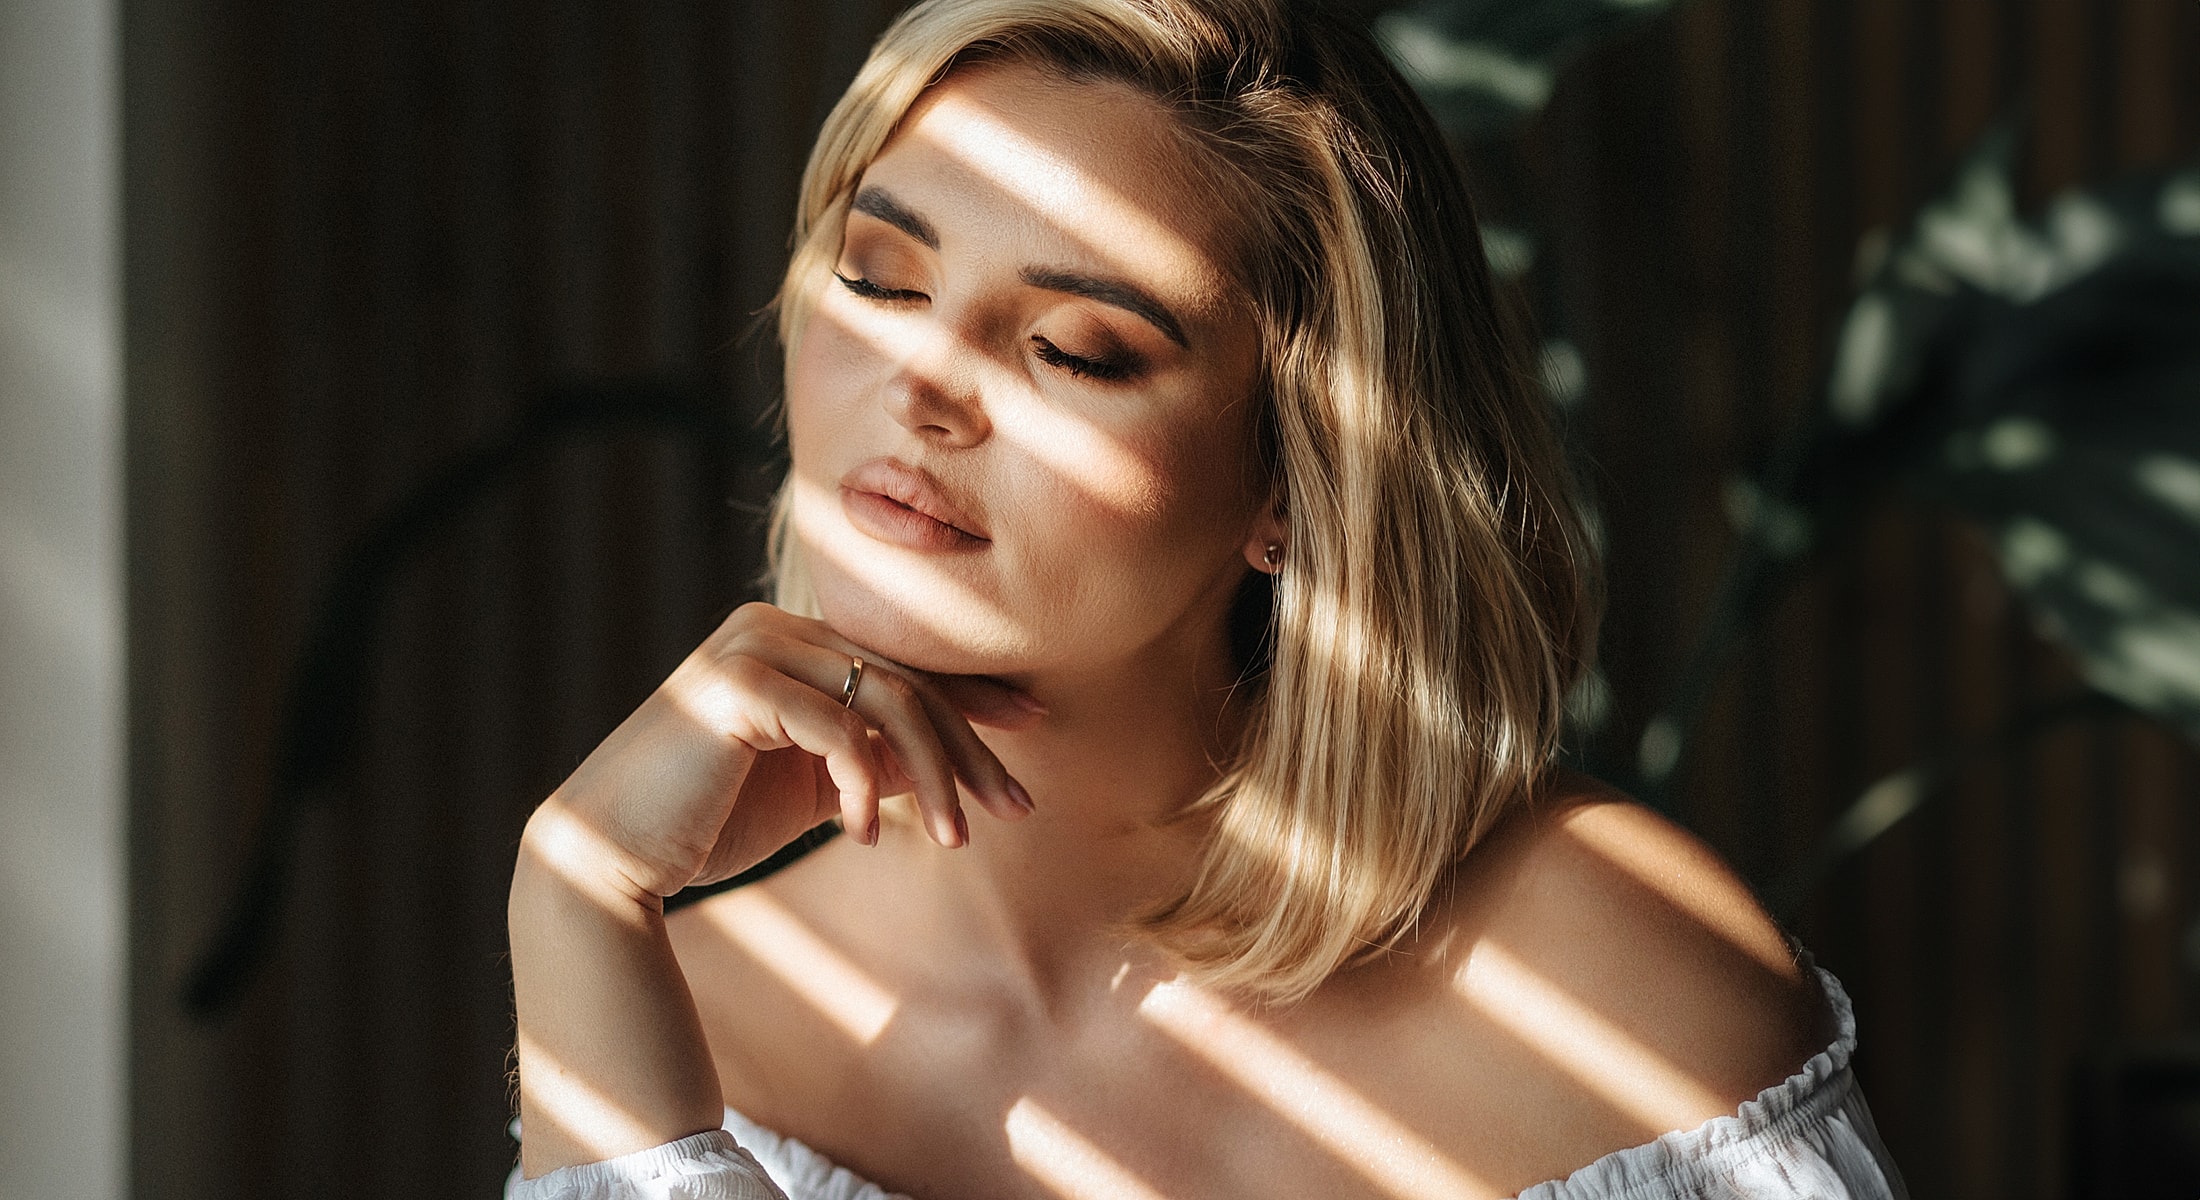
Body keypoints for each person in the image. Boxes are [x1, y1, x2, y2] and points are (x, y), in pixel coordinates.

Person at [505, 0, 1908, 1196]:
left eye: (1077, 349)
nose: (920, 387)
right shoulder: (683, 1018)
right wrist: (576, 895)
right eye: (881, 280)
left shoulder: (1605, 986)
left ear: (1293, 483)